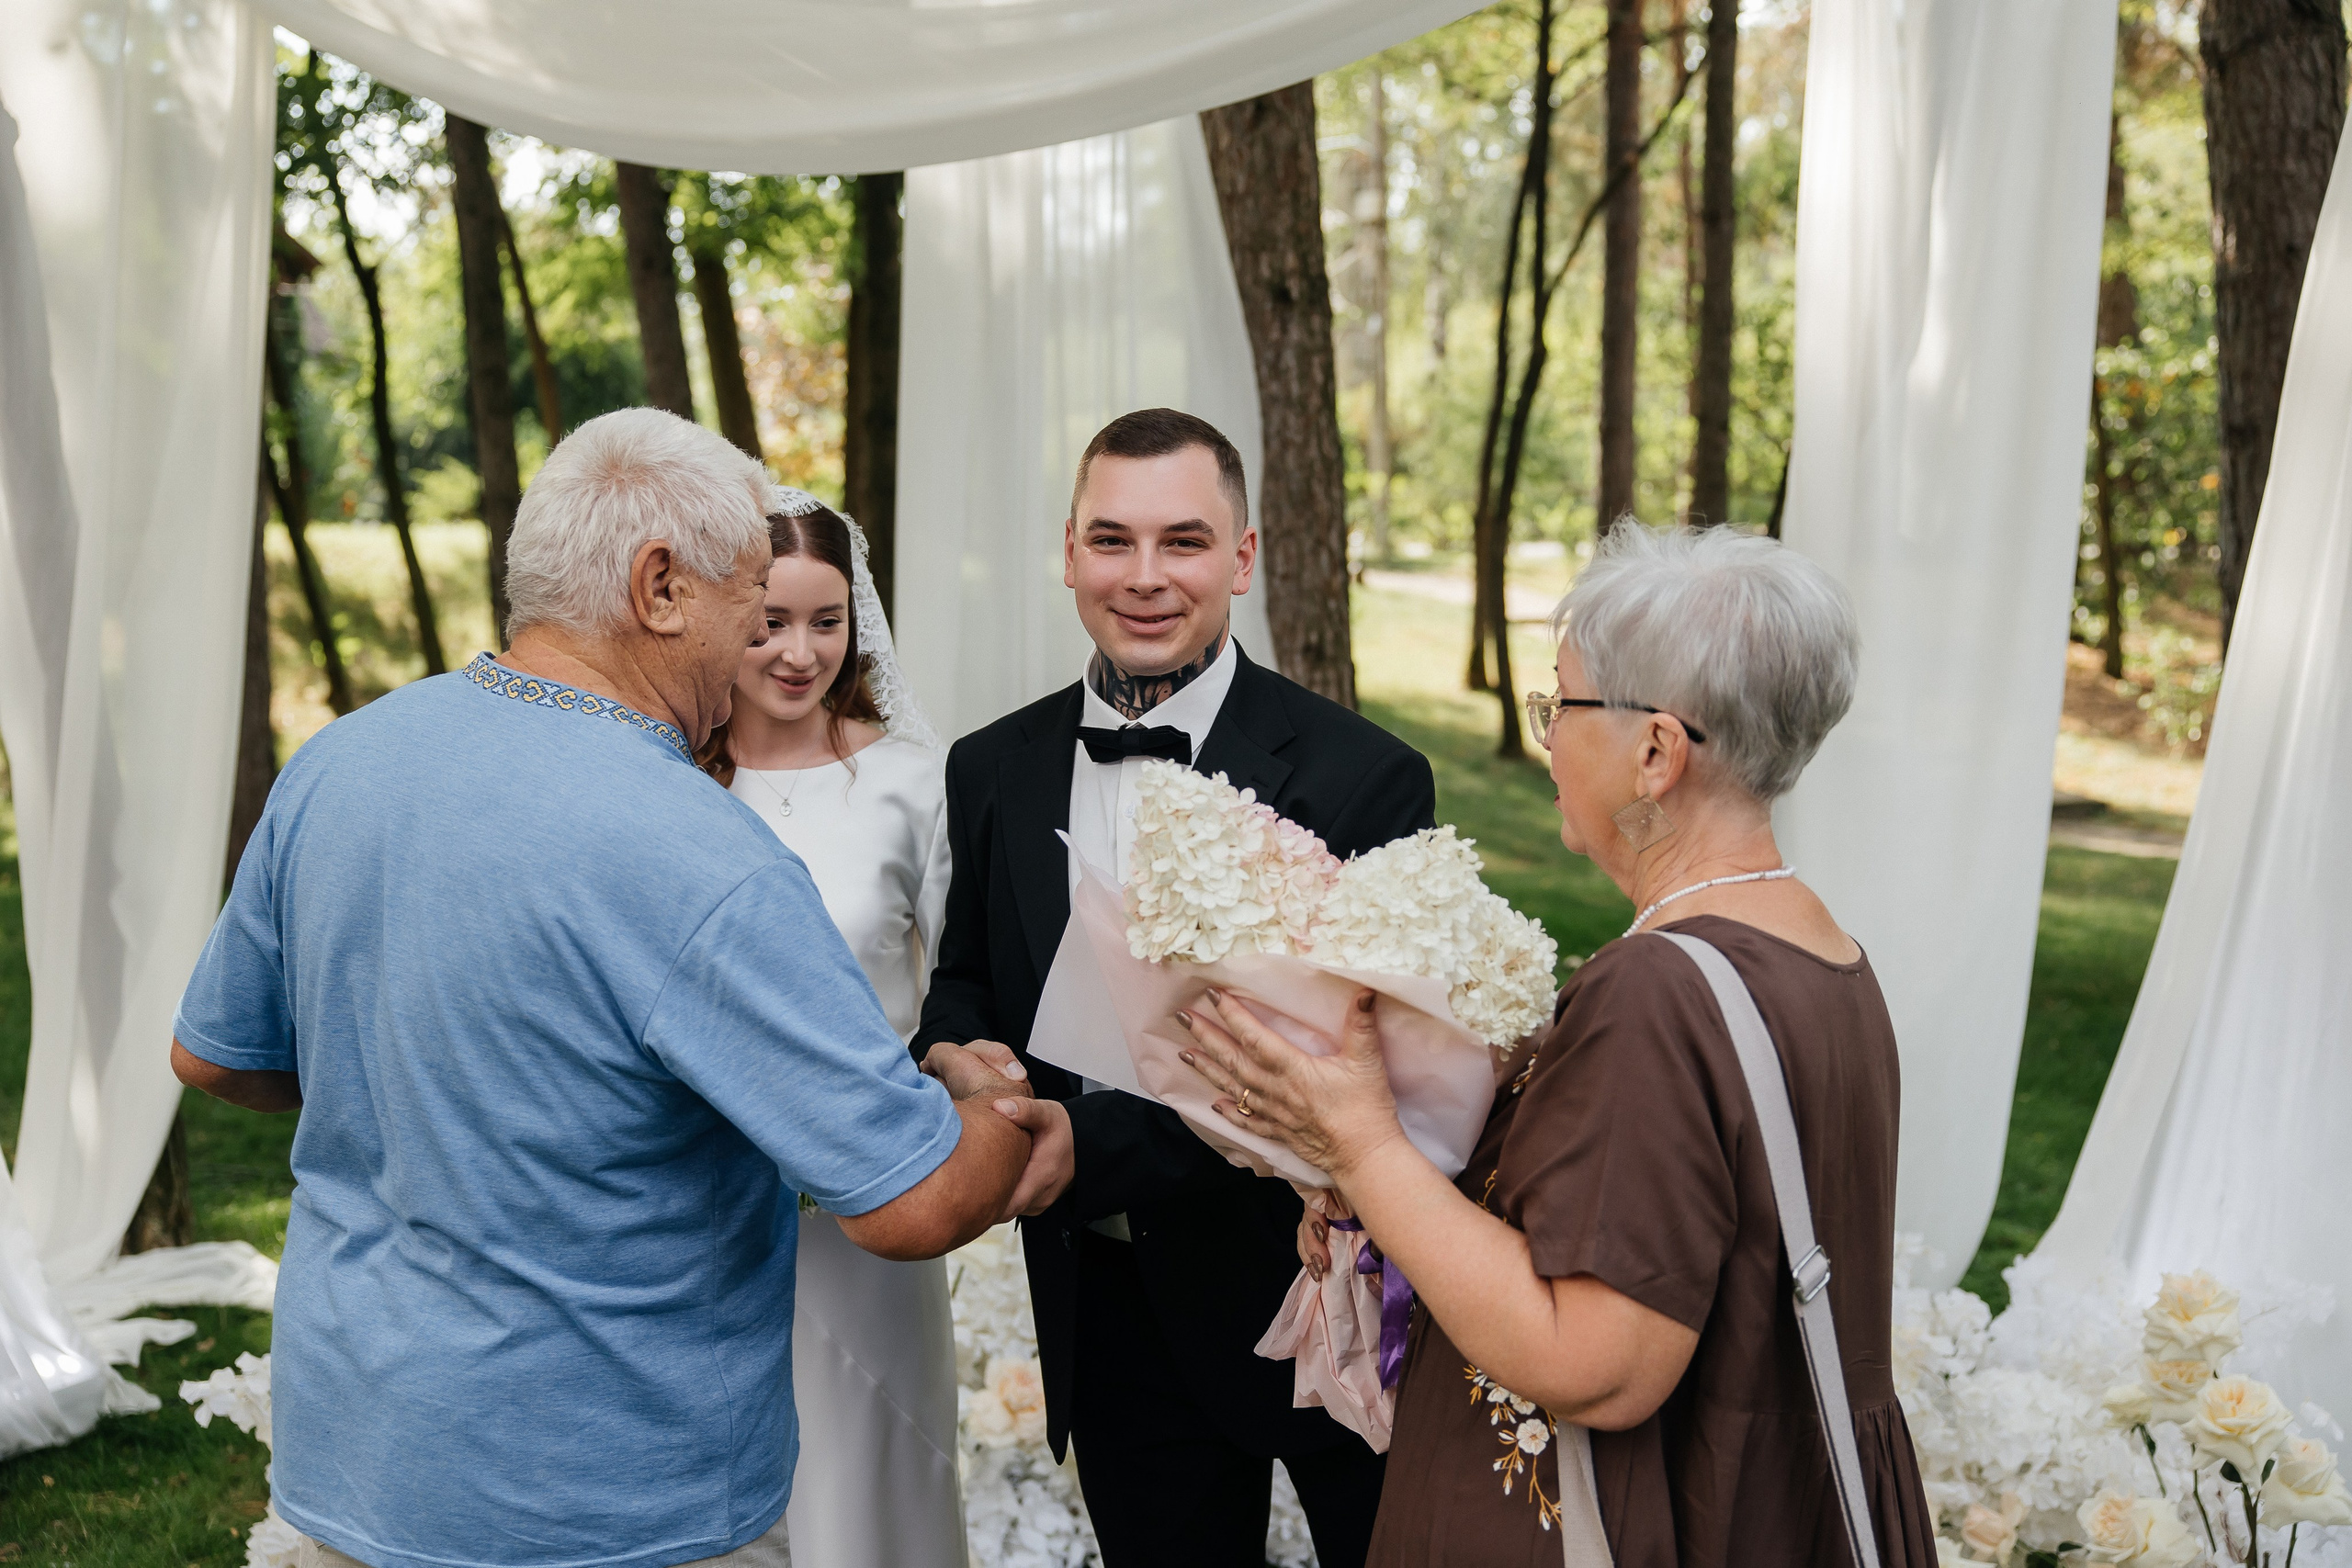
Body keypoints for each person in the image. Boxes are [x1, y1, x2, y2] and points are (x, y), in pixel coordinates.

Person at [170, 408, 1036, 1568]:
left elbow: (216, 1054)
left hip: (358, 1459)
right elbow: (914, 1202)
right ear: (661, 584)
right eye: (746, 593)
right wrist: (988, 1111)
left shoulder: (341, 759)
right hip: (606, 1502)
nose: (756, 638)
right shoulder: (703, 854)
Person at [1177, 523, 1941, 1566]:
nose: (1546, 735)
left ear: (1656, 751)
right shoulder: (1819, 948)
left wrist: (1361, 1145)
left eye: (1563, 705)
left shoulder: (1656, 991)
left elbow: (1596, 1361)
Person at [914, 408, 1437, 1568]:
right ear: (1067, 554)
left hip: (1316, 1292)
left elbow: (1338, 1071)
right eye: (1111, 541)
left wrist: (1075, 1152)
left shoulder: (1365, 780)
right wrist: (954, 1052)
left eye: (1184, 542)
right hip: (1103, 1303)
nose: (1144, 578)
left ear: (1241, 559)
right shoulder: (990, 767)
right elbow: (964, 978)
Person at [695, 485, 965, 1568]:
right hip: (701, 1201)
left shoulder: (910, 784)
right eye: (766, 623)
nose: (798, 653)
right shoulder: (668, 781)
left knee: (871, 1471)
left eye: (825, 621)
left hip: (867, 1213)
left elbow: (956, 992)